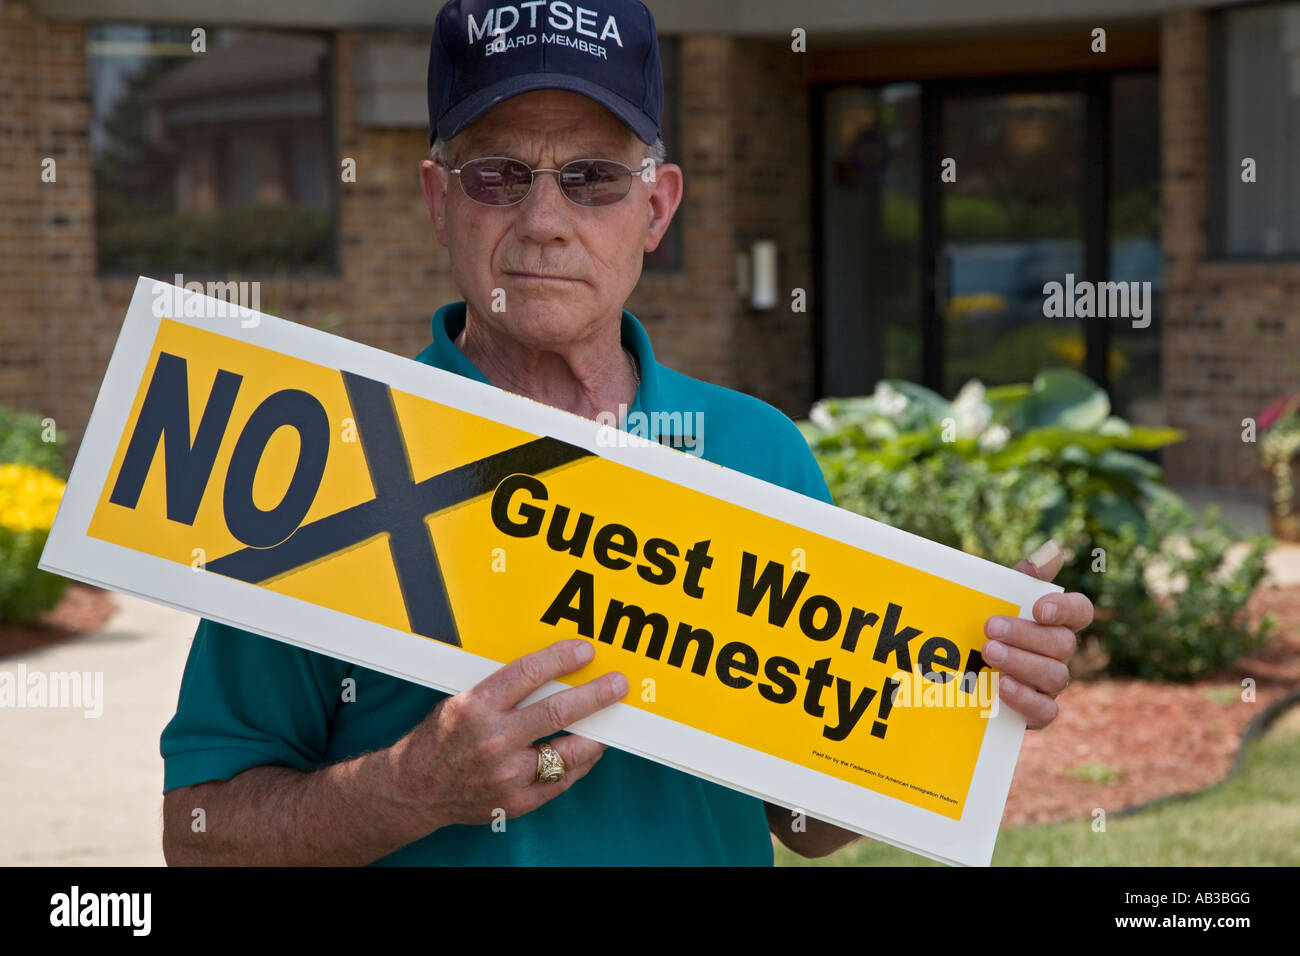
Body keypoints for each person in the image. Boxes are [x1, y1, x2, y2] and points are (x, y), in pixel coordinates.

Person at [160, 0, 1093, 865]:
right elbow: (197, 837)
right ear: (440, 200)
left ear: (657, 207)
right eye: (498, 176)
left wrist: (964, 689)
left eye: (592, 178)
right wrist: (408, 789)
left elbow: (802, 823)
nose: (543, 223)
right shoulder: (332, 455)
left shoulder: (759, 452)